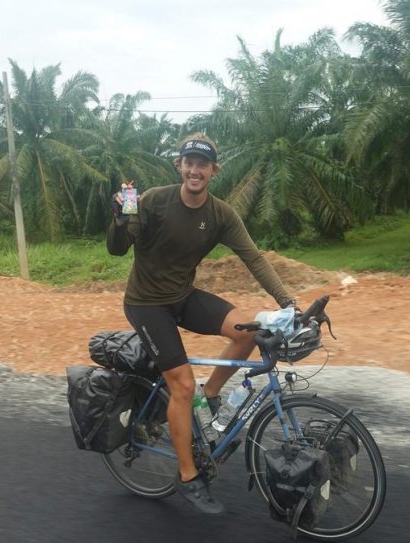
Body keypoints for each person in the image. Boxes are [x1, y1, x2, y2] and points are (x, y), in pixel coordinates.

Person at [106, 132, 296, 514]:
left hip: (182, 296)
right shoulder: (154, 201)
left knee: (250, 332)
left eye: (202, 164)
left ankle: (209, 397)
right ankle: (189, 476)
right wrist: (120, 217)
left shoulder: (220, 214)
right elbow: (117, 248)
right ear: (179, 166)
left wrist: (288, 301)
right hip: (146, 304)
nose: (195, 170)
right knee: (181, 384)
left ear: (213, 170)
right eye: (188, 162)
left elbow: (254, 258)